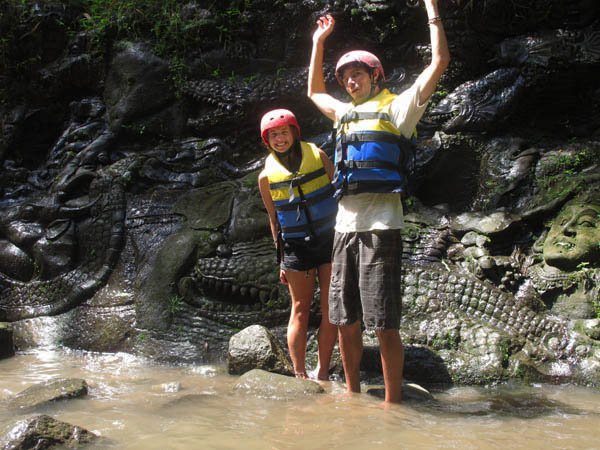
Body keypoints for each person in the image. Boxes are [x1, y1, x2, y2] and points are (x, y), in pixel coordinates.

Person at [307, 0, 450, 403]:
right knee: (344, 319)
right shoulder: (342, 114)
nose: (351, 81)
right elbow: (314, 90)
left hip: (381, 228)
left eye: (358, 74)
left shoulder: (399, 109)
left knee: (384, 323)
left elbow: (439, 60)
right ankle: (352, 397)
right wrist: (319, 41)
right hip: (344, 228)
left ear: (375, 76)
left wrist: (431, 8)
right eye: (346, 77)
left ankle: (392, 404)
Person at [257, 108, 339, 380]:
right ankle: (300, 374)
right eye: (273, 135)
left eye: (283, 132)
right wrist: (281, 259)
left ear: (294, 132)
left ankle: (324, 371)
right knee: (300, 309)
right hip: (295, 247)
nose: (280, 138)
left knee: (331, 307)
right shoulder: (266, 177)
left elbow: (338, 193)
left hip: (330, 240)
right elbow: (274, 219)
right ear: (267, 141)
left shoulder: (319, 156)